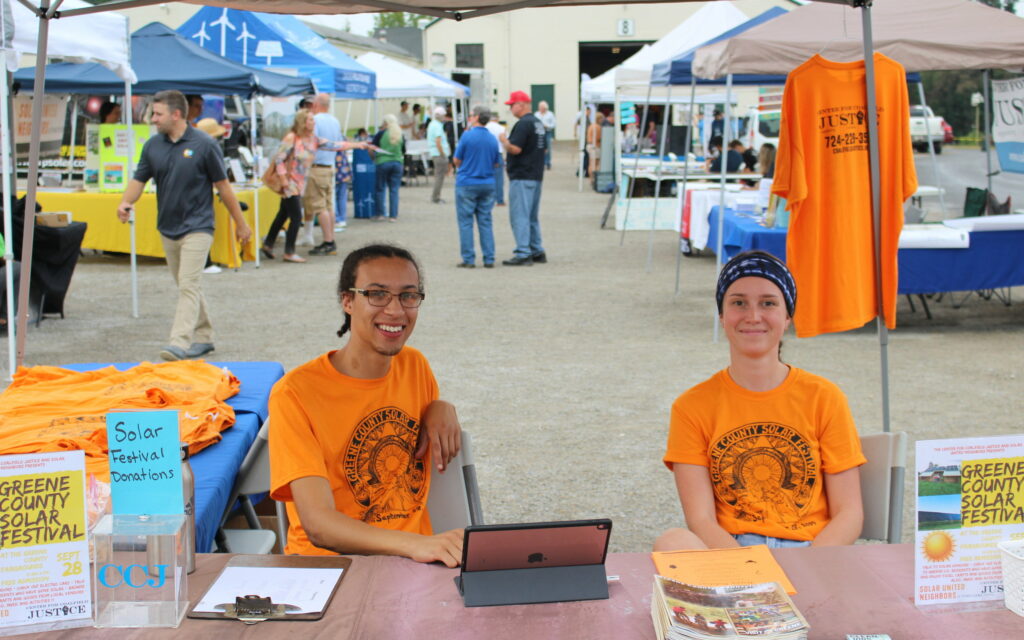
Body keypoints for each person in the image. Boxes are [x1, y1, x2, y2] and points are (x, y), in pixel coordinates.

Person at [268, 243, 464, 566]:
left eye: (408, 295)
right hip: (329, 569)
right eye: (377, 294)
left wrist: (441, 405)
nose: (395, 310)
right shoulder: (294, 393)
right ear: (347, 300)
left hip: (411, 566)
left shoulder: (416, 367)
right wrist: (416, 545)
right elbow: (318, 525)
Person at [655, 251, 865, 551]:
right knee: (671, 541)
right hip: (732, 552)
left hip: (811, 550)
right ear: (722, 316)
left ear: (788, 316)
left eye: (768, 303)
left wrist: (809, 566)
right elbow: (701, 520)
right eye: (739, 303)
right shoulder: (691, 407)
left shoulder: (824, 397)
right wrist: (750, 571)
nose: (753, 316)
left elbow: (849, 513)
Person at [117, 90, 252, 362]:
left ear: (176, 114)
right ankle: (204, 337)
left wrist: (241, 223)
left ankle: (178, 342)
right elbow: (139, 179)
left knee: (188, 284)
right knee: (185, 284)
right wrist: (125, 202)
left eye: (158, 114)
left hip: (199, 226)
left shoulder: (204, 145)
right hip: (168, 226)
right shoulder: (153, 146)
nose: (153, 119)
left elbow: (223, 187)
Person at [261, 109, 357, 264]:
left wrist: (358, 145)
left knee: (283, 214)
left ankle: (268, 244)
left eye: (313, 119)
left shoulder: (314, 139)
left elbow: (335, 145)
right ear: (302, 122)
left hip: (299, 183)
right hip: (290, 182)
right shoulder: (292, 138)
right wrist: (283, 178)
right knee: (296, 216)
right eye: (311, 120)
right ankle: (289, 252)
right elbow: (279, 159)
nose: (314, 122)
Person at [305, 94, 367, 256]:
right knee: (329, 205)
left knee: (320, 206)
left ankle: (328, 241)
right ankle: (330, 238)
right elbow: (339, 142)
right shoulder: (335, 121)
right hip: (330, 166)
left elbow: (316, 142)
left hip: (317, 167)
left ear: (316, 104)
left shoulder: (316, 120)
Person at [499, 91, 547, 267]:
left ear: (521, 104)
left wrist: (504, 140)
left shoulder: (523, 124)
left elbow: (516, 149)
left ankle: (523, 252)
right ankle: (536, 250)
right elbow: (545, 149)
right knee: (532, 215)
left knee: (520, 215)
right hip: (535, 175)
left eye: (512, 105)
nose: (510, 108)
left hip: (522, 175)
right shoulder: (538, 123)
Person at [453, 106, 501, 269]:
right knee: (485, 221)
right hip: (487, 182)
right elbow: (496, 162)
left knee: (466, 222)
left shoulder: (467, 136)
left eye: (472, 115)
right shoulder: (492, 138)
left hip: (467, 182)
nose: (470, 117)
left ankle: (469, 258)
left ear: (477, 117)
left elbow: (457, 160)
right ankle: (489, 257)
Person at [371, 114, 405, 222]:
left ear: (386, 123)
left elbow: (372, 148)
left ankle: (380, 214)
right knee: (394, 190)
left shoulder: (381, 134)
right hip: (397, 163)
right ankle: (393, 216)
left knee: (380, 188)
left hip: (383, 162)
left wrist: (374, 159)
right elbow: (404, 150)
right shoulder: (400, 135)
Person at [426, 106, 451, 204]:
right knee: (439, 177)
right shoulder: (437, 126)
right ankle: (436, 197)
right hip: (439, 154)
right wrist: (443, 153)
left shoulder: (432, 124)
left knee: (438, 176)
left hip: (435, 153)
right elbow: (438, 141)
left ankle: (435, 196)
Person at [484, 117, 507, 206]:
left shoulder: (485, 127)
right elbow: (505, 140)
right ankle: (500, 200)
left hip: (486, 154)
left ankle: (488, 199)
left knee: (487, 177)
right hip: (498, 153)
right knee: (499, 179)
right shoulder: (501, 128)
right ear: (497, 119)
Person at [535, 101, 556, 170]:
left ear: (545, 108)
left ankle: (548, 162)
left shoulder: (550, 114)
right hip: (539, 132)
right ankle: (541, 162)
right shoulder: (536, 114)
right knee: (539, 147)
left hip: (547, 132)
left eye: (542, 107)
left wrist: (547, 126)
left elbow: (553, 124)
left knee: (548, 148)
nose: (540, 108)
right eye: (539, 107)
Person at [586, 112, 604, 184]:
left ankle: (591, 178)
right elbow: (598, 138)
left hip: (589, 145)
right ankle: (593, 178)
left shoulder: (591, 126)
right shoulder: (597, 127)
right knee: (595, 164)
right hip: (595, 146)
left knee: (591, 163)